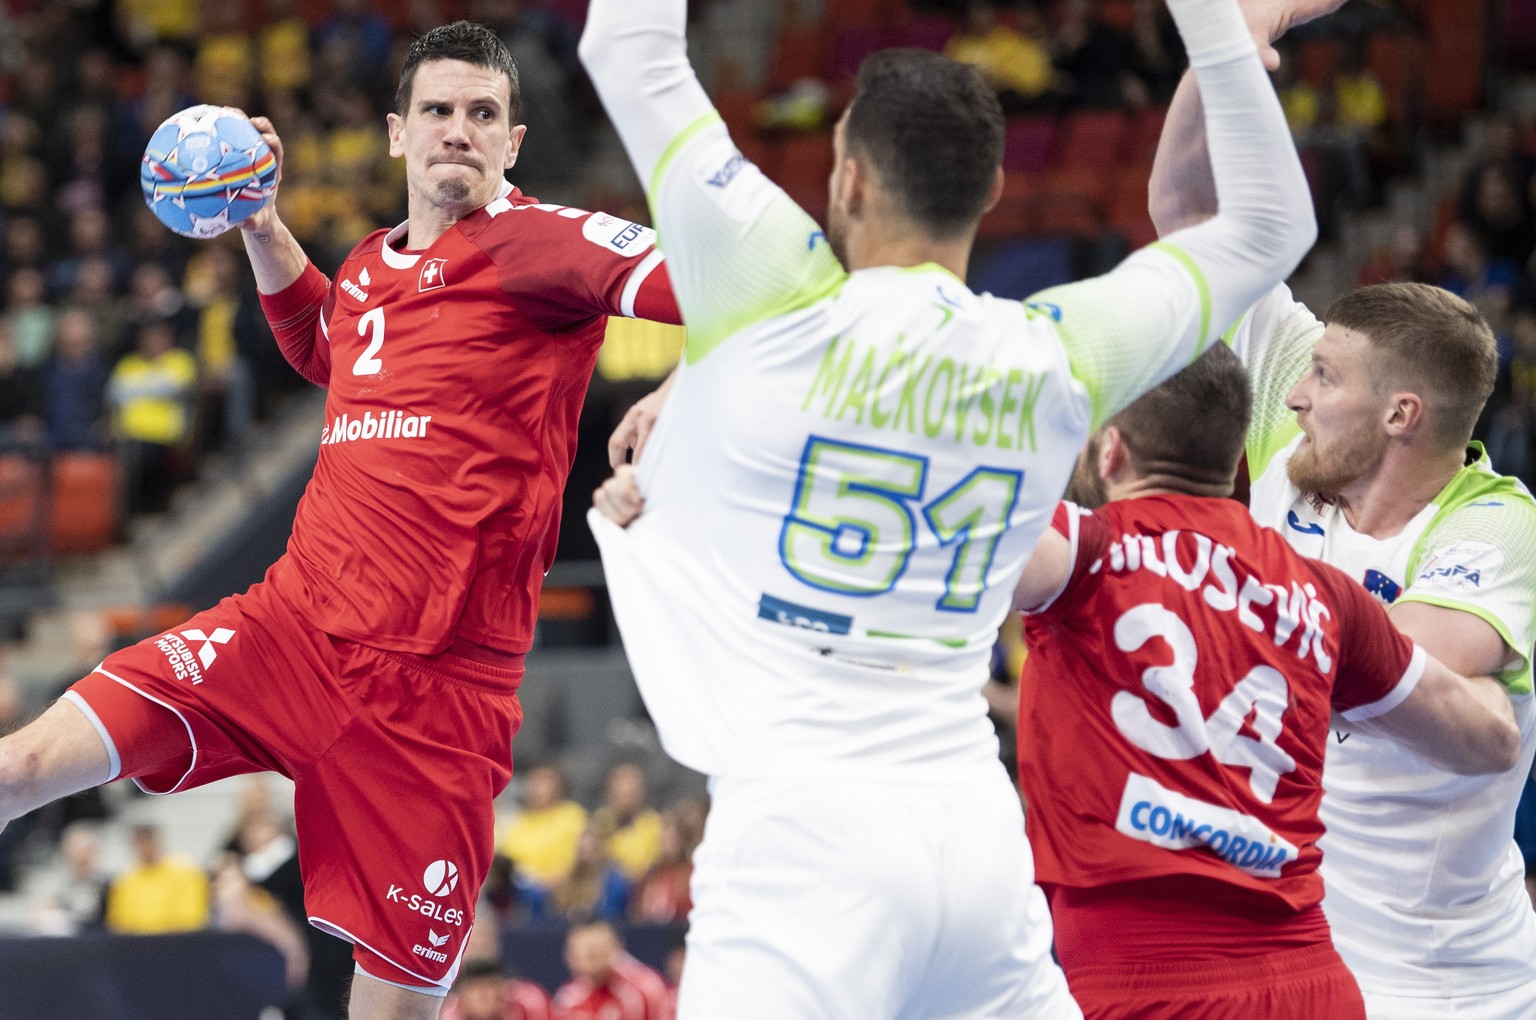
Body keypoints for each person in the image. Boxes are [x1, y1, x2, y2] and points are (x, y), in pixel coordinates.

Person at [579, 0, 1315, 1012]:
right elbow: (1276, 224)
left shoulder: (770, 292)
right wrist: (1213, 22)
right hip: (971, 825)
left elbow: (625, 43)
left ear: (848, 178)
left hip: (806, 831)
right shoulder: (1054, 350)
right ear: (993, 189)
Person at [0, 20, 681, 1020]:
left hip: (436, 695)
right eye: (440, 111)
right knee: (22, 763)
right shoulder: (369, 265)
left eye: (482, 114)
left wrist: (685, 386)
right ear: (400, 134)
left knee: (393, 1011)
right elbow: (331, 347)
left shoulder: (548, 246)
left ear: (513, 142)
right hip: (288, 633)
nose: (460, 130)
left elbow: (743, 296)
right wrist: (264, 228)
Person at [1148, 1, 1536, 1015]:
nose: (1291, 396)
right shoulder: (1302, 448)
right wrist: (1231, 45)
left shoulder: (1492, 522)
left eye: (1323, 375)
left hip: (1446, 982)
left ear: (1403, 413)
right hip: (1291, 945)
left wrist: (1189, 603)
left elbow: (1398, 658)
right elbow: (1190, 218)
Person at [1011, 345, 1520, 1018]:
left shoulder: (1084, 550)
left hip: (1142, 986)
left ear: (1109, 453)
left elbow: (938, 535)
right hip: (1312, 985)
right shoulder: (1325, 596)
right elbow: (1490, 741)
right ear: (1233, 460)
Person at [103, 822, 211, 935]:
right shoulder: (124, 880)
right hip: (137, 945)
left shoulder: (186, 872)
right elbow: (117, 922)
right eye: (140, 843)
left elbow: (193, 918)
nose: (145, 848)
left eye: (148, 842)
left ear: (158, 842)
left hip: (178, 942)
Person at [551, 921, 668, 1020]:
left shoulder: (644, 989)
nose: (587, 962)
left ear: (615, 949)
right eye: (577, 954)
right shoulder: (567, 998)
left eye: (594, 954)